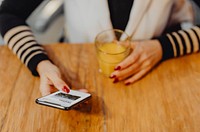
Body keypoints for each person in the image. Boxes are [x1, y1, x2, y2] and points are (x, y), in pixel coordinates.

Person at [0, 0, 195, 96]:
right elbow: (6, 15)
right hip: (79, 74)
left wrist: (164, 47)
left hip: (158, 76)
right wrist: (40, 63)